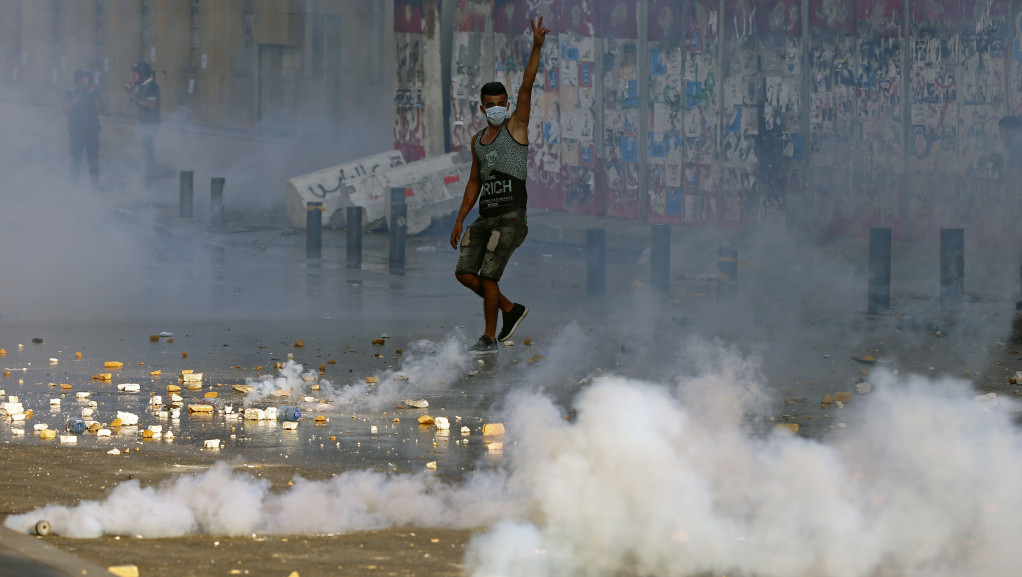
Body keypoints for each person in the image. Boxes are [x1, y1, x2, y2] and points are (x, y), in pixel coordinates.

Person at [450, 17, 549, 355]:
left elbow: (527, 85)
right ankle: (510, 309)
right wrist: (460, 219)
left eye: (501, 103)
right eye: (490, 104)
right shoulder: (478, 140)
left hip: (510, 216)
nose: (496, 108)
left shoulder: (516, 127)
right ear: (483, 108)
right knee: (465, 272)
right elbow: (474, 180)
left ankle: (489, 337)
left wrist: (537, 46)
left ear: (507, 105)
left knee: (489, 275)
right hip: (484, 217)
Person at [63, 68, 101, 188]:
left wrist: (94, 96)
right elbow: (65, 111)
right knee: (76, 159)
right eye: (84, 80)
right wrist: (75, 101)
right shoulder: (70, 93)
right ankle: (73, 184)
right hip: (76, 131)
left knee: (93, 159)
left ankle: (95, 185)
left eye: (88, 80)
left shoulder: (93, 93)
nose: (86, 83)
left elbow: (101, 110)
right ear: (78, 81)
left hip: (92, 131)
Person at [125, 61, 161, 188]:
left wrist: (136, 99)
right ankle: (148, 178)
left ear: (143, 75)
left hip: (151, 124)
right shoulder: (143, 87)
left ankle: (150, 180)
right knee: (146, 151)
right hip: (144, 123)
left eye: (136, 75)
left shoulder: (151, 86)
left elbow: (151, 105)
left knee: (149, 152)